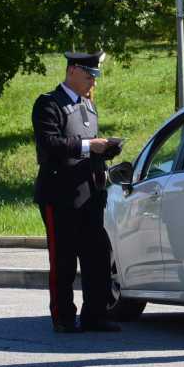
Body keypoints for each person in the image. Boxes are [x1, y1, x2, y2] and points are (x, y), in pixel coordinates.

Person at [32, 51, 122, 333]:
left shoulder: (88, 106)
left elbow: (89, 148)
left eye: (95, 78)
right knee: (64, 260)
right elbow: (50, 144)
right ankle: (64, 317)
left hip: (89, 195)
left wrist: (106, 150)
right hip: (59, 195)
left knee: (97, 257)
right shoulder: (49, 104)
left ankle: (95, 315)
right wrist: (88, 146)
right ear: (72, 71)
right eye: (88, 76)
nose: (92, 84)